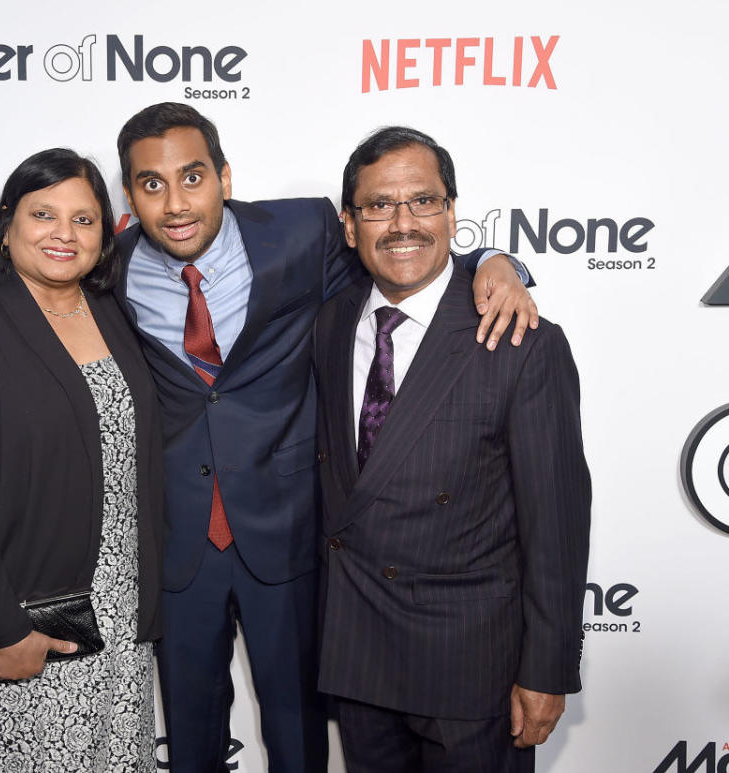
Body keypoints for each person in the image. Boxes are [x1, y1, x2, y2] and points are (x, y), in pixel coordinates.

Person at [111, 102, 538, 772]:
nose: (174, 202)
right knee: (188, 738)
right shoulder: (108, 263)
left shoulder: (301, 232)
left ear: (224, 175)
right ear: (129, 193)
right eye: (151, 184)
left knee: (299, 734)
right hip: (176, 543)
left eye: (192, 177)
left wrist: (494, 259)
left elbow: (402, 248)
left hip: (288, 534)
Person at [313, 126, 591, 772]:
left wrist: (547, 667)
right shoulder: (330, 322)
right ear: (348, 226)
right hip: (358, 659)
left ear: (451, 214)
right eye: (379, 205)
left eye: (423, 202)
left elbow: (555, 524)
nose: (402, 223)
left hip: (471, 675)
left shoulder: (522, 341)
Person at [0, 148, 163, 772]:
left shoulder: (111, 312)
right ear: (7, 223)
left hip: (120, 615)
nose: (64, 233)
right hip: (29, 620)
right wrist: (2, 629)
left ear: (106, 235)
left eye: (84, 220)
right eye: (43, 213)